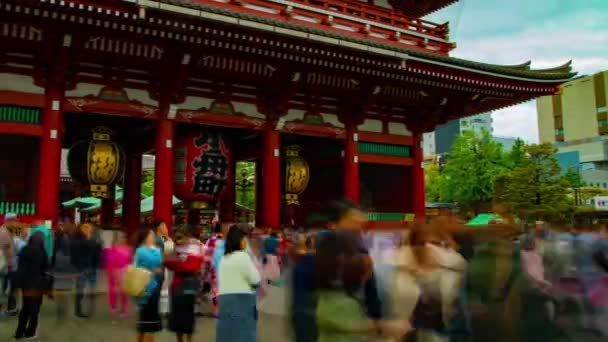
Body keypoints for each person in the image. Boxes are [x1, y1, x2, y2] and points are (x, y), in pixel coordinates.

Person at [216, 225, 261, 342]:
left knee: (227, 334)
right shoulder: (243, 257)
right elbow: (256, 279)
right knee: (244, 334)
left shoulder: (224, 259)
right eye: (243, 239)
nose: (245, 242)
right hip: (242, 300)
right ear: (239, 241)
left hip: (224, 300)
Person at [164, 227, 204, 342]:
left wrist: (178, 263)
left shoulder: (196, 248)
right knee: (178, 316)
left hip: (188, 284)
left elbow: (191, 266)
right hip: (178, 285)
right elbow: (167, 262)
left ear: (188, 237)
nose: (179, 241)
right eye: (177, 238)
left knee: (188, 315)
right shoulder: (176, 250)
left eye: (181, 237)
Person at [14, 232, 49, 339]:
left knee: (25, 309)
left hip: (26, 285)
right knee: (35, 310)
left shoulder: (24, 249)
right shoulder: (42, 252)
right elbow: (45, 268)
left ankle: (19, 333)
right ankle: (30, 332)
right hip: (37, 284)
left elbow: (20, 268)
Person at [134, 228, 164, 342]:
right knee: (148, 324)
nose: (153, 237)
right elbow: (137, 268)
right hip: (145, 288)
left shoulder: (156, 250)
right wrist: (152, 270)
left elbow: (159, 264)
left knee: (145, 325)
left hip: (155, 286)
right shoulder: (141, 251)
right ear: (145, 237)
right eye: (151, 235)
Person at [104, 231, 132, 321]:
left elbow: (129, 261)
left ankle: (123, 310)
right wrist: (110, 272)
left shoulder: (128, 249)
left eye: (123, 237)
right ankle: (113, 307)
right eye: (120, 237)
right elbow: (108, 261)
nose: (122, 239)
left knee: (124, 292)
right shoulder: (111, 249)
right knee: (113, 291)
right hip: (113, 272)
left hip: (124, 272)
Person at [52, 224, 78, 322]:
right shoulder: (67, 239)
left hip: (59, 266)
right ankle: (63, 311)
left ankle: (60, 311)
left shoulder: (58, 239)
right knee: (65, 290)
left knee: (59, 290)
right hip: (66, 266)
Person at [0, 213, 17, 314]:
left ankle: (11, 307)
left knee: (10, 287)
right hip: (5, 264)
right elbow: (5, 250)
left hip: (6, 264)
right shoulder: (3, 232)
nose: (15, 223)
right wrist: (11, 263)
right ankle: (10, 308)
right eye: (14, 221)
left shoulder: (6, 231)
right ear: (9, 221)